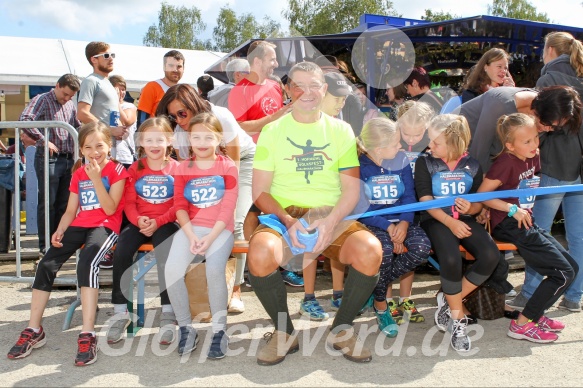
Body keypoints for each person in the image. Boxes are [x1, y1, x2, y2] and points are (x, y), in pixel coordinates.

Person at [248, 61, 382, 365]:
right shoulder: (271, 131)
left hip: (330, 214)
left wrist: (332, 220)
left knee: (371, 251)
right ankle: (284, 333)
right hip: (285, 215)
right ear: (287, 89)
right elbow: (260, 193)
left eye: (314, 85)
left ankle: (342, 329)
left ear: (323, 89)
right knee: (259, 255)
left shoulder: (342, 130)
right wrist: (288, 219)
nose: (306, 92)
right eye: (298, 85)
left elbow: (350, 190)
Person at [7, 121, 129, 366]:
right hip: (79, 225)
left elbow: (110, 208)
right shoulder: (79, 173)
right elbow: (71, 209)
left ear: (109, 145)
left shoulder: (116, 171)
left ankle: (87, 333)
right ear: (81, 150)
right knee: (46, 264)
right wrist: (60, 230)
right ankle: (34, 329)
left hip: (105, 226)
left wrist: (96, 179)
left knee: (88, 262)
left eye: (100, 146)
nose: (95, 152)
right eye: (88, 148)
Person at [477, 113, 577, 342]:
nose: (534, 145)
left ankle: (535, 314)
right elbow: (481, 195)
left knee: (570, 267)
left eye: (535, 138)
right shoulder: (506, 162)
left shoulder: (532, 156)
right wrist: (511, 209)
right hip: (509, 224)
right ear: (510, 145)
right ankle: (522, 324)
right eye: (527, 141)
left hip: (525, 221)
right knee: (562, 273)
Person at [155, 84, 255, 313]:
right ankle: (201, 286)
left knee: (235, 221)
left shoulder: (221, 115)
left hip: (242, 161)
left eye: (182, 113)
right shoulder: (180, 132)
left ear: (194, 104)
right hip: (205, 168)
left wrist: (222, 206)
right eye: (172, 116)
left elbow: (234, 166)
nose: (179, 120)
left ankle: (236, 288)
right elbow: (187, 174)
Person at [509, 32, 583, 312]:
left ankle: (529, 292)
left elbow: (537, 129)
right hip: (578, 169)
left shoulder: (548, 80)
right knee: (578, 237)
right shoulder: (580, 77)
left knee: (537, 233)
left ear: (549, 50)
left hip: (550, 167)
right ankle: (574, 296)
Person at [415, 114, 499, 352]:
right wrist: (449, 223)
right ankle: (457, 318)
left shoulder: (472, 165)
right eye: (430, 140)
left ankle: (449, 297)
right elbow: (425, 201)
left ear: (455, 143)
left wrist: (472, 208)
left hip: (463, 218)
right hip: (435, 219)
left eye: (436, 142)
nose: (430, 146)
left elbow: (477, 202)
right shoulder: (425, 162)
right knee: (451, 259)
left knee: (490, 255)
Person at [164, 112, 238, 359]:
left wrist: (210, 237)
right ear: (189, 138)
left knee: (214, 270)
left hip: (220, 229)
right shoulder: (184, 167)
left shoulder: (227, 165)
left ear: (219, 138)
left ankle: (219, 331)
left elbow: (228, 208)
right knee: (172, 270)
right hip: (191, 229)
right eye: (196, 137)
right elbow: (179, 206)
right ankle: (186, 328)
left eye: (209, 136)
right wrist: (190, 234)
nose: (202, 142)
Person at [354, 117, 431, 336]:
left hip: (403, 220)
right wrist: (388, 227)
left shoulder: (401, 161)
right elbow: (361, 208)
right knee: (385, 251)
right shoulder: (359, 166)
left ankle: (372, 289)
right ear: (379, 148)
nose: (400, 146)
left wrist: (404, 223)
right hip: (374, 223)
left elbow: (409, 197)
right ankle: (381, 305)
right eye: (396, 142)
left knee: (421, 248)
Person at [107, 117, 180, 345]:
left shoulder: (177, 168)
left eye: (160, 139)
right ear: (141, 142)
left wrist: (158, 222)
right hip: (139, 221)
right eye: (149, 140)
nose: (154, 144)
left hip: (167, 221)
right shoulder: (135, 168)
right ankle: (120, 312)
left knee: (164, 253)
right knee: (122, 251)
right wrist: (138, 220)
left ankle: (168, 314)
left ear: (170, 141)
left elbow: (179, 204)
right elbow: (129, 202)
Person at [296, 71, 354, 321]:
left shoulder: (342, 127)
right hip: (308, 197)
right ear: (322, 92)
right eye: (336, 98)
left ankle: (338, 293)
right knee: (311, 248)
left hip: (336, 197)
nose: (341, 103)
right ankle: (308, 298)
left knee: (336, 243)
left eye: (344, 100)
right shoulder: (302, 122)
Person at [18, 73, 81, 257]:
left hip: (68, 158)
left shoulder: (69, 104)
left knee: (64, 203)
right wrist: (43, 140)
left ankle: (59, 241)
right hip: (49, 158)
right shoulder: (42, 99)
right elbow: (25, 119)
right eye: (65, 94)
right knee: (48, 203)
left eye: (70, 96)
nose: (67, 98)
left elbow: (76, 126)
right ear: (57, 85)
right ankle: (45, 245)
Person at [385, 100, 435, 324]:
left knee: (408, 253)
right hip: (391, 206)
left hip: (417, 207)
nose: (412, 139)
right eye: (407, 133)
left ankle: (405, 298)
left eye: (418, 134)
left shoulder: (432, 145)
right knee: (388, 251)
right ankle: (386, 300)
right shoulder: (391, 145)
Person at [461, 85, 583, 173]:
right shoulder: (500, 104)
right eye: (548, 124)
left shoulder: (545, 116)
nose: (548, 129)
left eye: (556, 128)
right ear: (539, 110)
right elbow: (478, 153)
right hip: (456, 151)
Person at [228, 40, 291, 143]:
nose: (276, 64)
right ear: (257, 62)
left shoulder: (275, 85)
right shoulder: (239, 91)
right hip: (257, 155)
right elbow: (241, 127)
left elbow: (280, 119)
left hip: (279, 149)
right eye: (272, 60)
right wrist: (274, 117)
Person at [77, 41, 127, 158]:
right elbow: (82, 113)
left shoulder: (108, 83)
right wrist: (109, 130)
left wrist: (119, 129)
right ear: (94, 60)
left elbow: (111, 114)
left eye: (112, 55)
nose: (110, 59)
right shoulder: (91, 81)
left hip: (110, 146)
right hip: (97, 148)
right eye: (105, 56)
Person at [315, 55, 364, 135]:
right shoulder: (309, 100)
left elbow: (355, 133)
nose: (330, 75)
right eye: (326, 72)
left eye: (333, 72)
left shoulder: (351, 99)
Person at [137, 50, 185, 127]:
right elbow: (141, 120)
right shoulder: (152, 87)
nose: (175, 70)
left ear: (183, 69)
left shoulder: (184, 92)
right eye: (171, 66)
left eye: (179, 66)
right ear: (164, 67)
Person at [108, 75, 137, 169]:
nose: (121, 92)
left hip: (124, 157)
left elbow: (126, 121)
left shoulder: (129, 106)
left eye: (123, 89)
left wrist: (115, 102)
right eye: (118, 89)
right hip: (108, 156)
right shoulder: (104, 107)